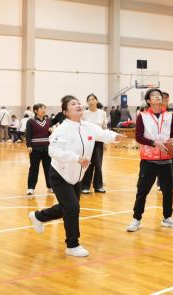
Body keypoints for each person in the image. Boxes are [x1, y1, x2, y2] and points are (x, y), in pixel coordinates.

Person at [28, 95, 123, 257]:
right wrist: (76, 158)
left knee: (67, 207)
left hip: (77, 176)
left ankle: (38, 216)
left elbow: (102, 134)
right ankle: (72, 245)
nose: (78, 105)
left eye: (78, 103)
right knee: (72, 208)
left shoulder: (88, 126)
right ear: (66, 112)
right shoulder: (61, 130)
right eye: (73, 104)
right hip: (60, 174)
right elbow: (53, 151)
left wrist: (115, 137)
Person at [126, 88, 173, 233]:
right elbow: (138, 137)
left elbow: (172, 135)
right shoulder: (142, 116)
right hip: (148, 159)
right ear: (148, 100)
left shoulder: (170, 116)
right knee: (142, 191)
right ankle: (136, 219)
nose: (158, 97)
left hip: (166, 159)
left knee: (168, 191)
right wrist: (154, 143)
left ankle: (167, 217)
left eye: (159, 95)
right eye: (154, 95)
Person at [82, 93, 108, 194]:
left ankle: (98, 186)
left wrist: (105, 142)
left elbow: (104, 128)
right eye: (89, 100)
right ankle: (85, 186)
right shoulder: (84, 113)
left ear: (96, 101)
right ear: (87, 102)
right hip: (87, 142)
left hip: (98, 142)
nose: (91, 101)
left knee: (98, 164)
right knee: (87, 164)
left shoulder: (102, 113)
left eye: (93, 99)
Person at [25, 103, 53, 195]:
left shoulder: (48, 121)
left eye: (45, 108)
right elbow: (28, 134)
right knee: (34, 168)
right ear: (36, 111)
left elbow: (50, 135)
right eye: (41, 108)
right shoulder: (30, 121)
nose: (44, 110)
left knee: (48, 168)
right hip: (35, 148)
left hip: (47, 148)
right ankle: (31, 188)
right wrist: (29, 146)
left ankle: (50, 186)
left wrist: (51, 131)